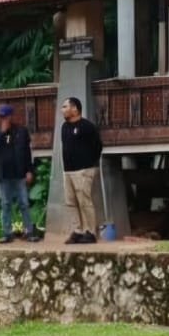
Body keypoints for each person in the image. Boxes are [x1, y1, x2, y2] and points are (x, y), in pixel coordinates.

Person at [0, 104, 39, 242]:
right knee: (5, 204)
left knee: (24, 203)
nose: (2, 119)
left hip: (19, 173)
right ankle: (7, 233)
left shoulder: (22, 131)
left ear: (11, 116)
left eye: (5, 116)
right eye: (0, 117)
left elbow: (28, 152)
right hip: (3, 175)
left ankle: (29, 232)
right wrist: (2, 133)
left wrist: (29, 170)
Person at [60, 97, 103, 245]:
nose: (62, 110)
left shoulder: (87, 127)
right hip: (68, 171)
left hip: (84, 170)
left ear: (75, 109)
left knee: (85, 201)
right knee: (70, 202)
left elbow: (98, 146)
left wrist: (89, 163)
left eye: (65, 106)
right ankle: (77, 231)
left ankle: (90, 232)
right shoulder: (64, 127)